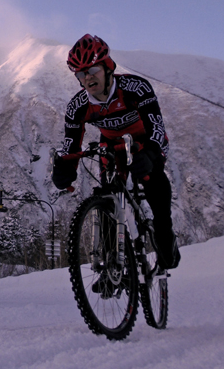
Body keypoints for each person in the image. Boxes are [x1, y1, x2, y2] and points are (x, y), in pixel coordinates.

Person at [52, 34, 180, 270]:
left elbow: (157, 128)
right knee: (108, 193)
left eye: (92, 69)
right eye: (81, 74)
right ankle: (112, 265)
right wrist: (65, 168)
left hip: (144, 141)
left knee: (153, 180)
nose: (87, 77)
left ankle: (164, 232)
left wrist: (152, 155)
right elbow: (71, 145)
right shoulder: (77, 106)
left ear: (108, 67)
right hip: (111, 146)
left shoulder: (136, 87)